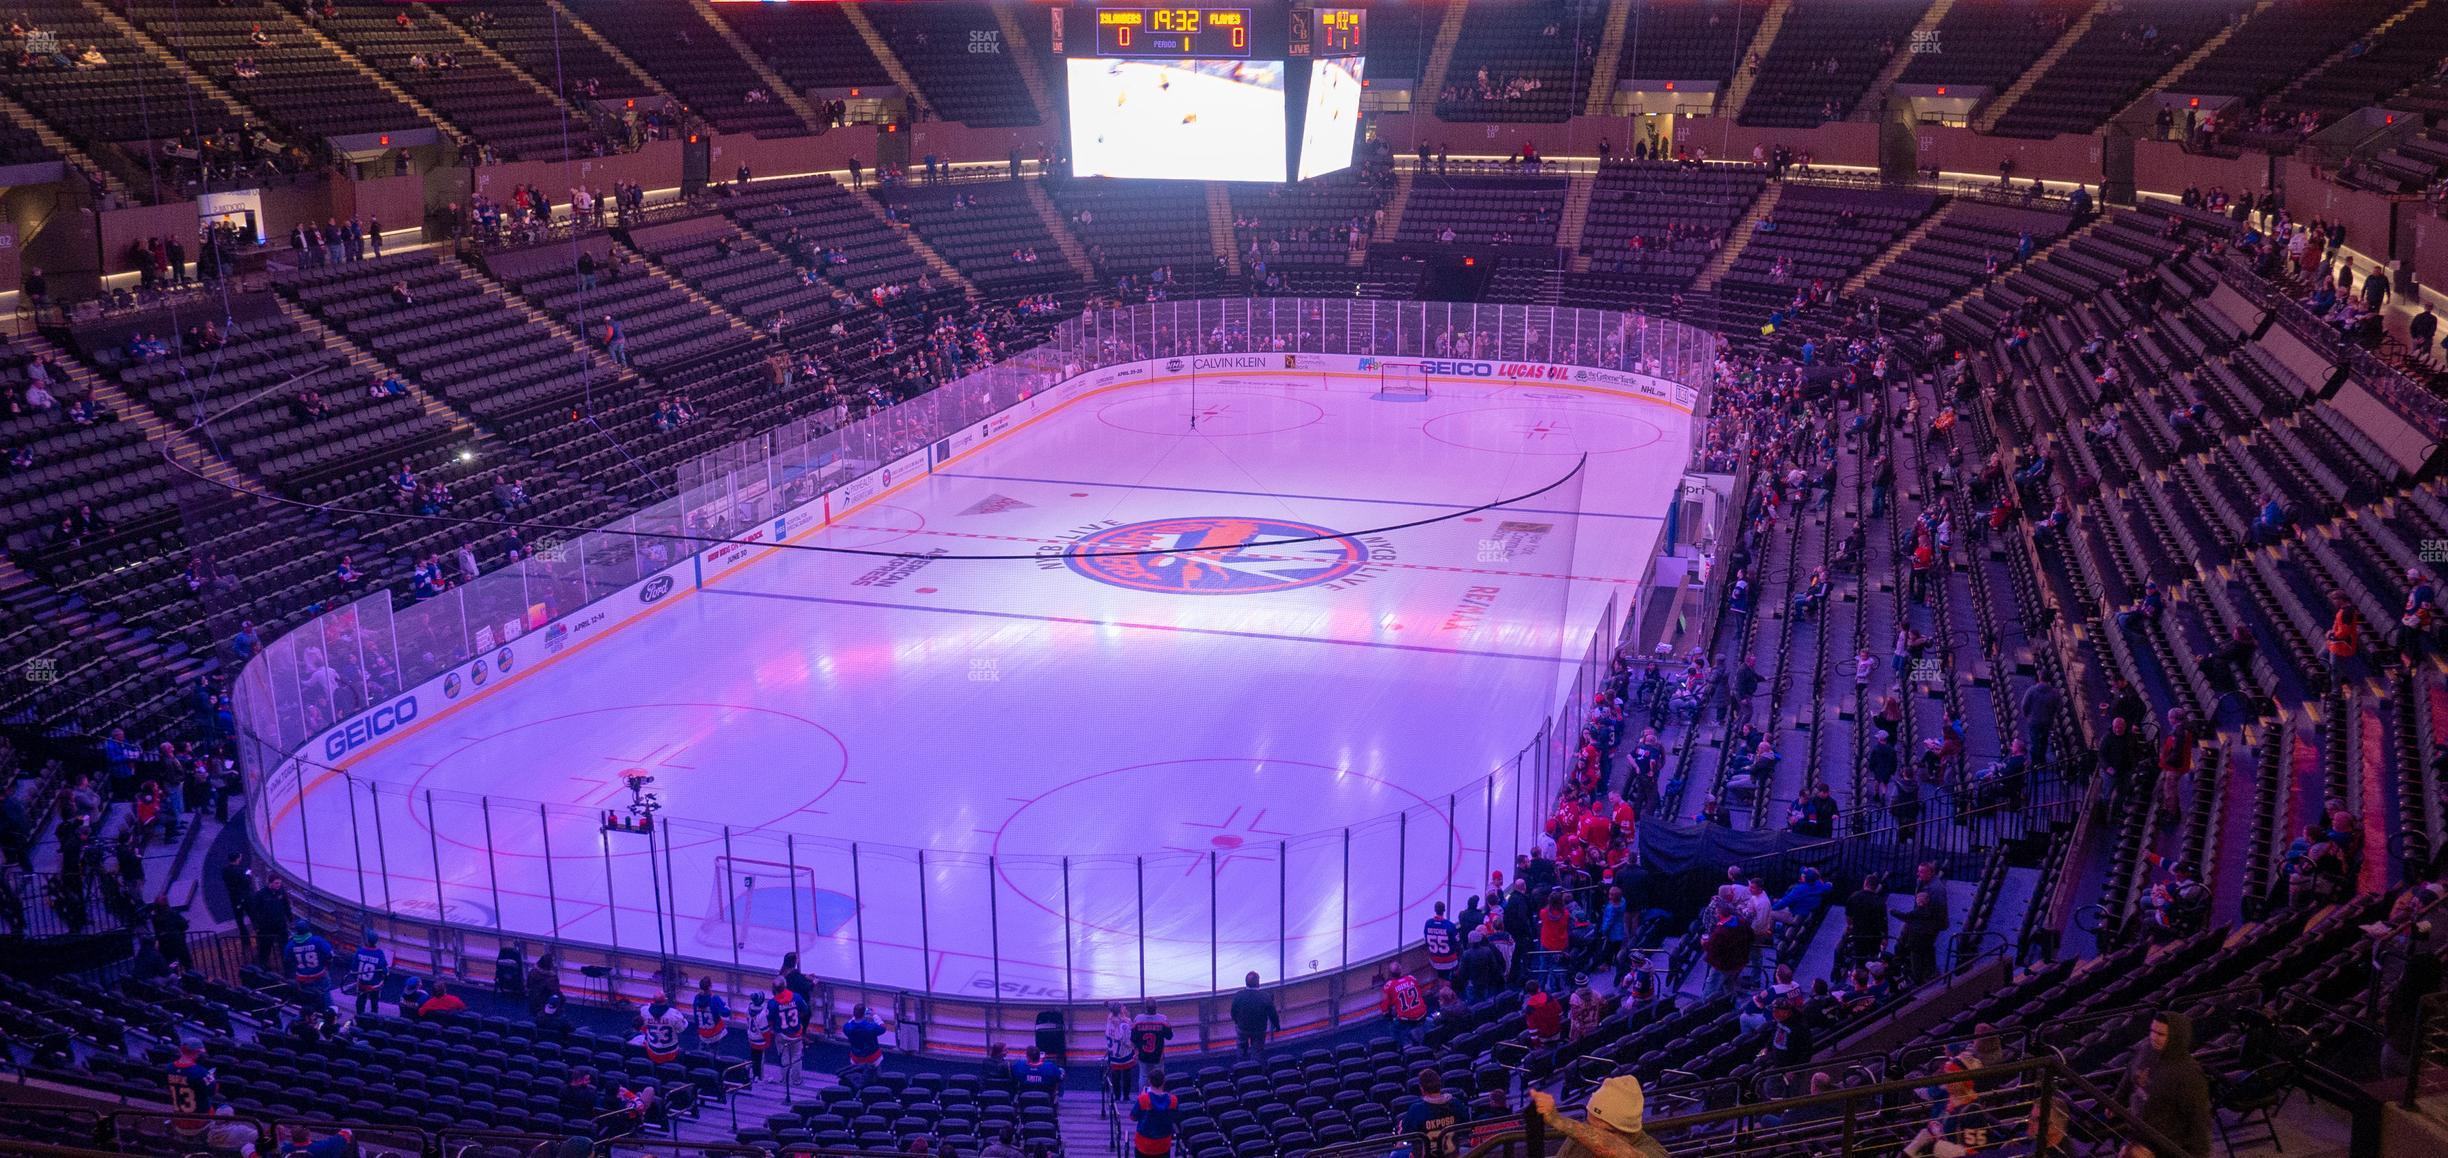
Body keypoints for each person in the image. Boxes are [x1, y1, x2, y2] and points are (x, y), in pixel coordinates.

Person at [1528, 1077, 1668, 1158]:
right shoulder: (1580, 1138)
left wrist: (1559, 1121)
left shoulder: (1652, 1152)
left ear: (1628, 1132)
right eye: (1589, 1124)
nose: (1589, 1133)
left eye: (1604, 1131)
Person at [2135, 1013, 2213, 1158]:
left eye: (2160, 1034)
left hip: (2169, 1144)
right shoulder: (2145, 1049)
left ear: (2175, 1037)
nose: (2153, 1037)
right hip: (2142, 1132)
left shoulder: (2188, 1073)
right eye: (2152, 1031)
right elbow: (2131, 1072)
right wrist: (2117, 1099)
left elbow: (2199, 1118)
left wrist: (2199, 1154)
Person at [1401, 1067, 1466, 1148]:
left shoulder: (1416, 1110)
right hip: (1455, 1153)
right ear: (1440, 1084)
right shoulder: (1456, 1103)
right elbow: (1467, 1129)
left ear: (1422, 1089)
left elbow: (1405, 1137)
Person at [284, 919, 335, 1009]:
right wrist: (327, 964)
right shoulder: (318, 941)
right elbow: (329, 954)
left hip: (302, 976)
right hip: (319, 974)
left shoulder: (290, 945)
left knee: (307, 994)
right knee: (325, 991)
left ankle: (311, 1011)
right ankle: (330, 1012)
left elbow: (288, 960)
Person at [1228, 971, 1279, 1059]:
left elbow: (1233, 1012)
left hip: (1243, 1027)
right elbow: (1272, 1014)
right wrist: (1276, 1026)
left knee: (1241, 1049)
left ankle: (1241, 1068)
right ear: (1258, 983)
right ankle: (1256, 1068)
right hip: (1259, 1029)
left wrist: (1237, 1022)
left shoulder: (1239, 995)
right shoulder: (1265, 996)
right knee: (1257, 1051)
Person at [1130, 1069, 1179, 1157]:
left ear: (1149, 1081)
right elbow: (1175, 1118)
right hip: (1163, 1145)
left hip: (1144, 1145)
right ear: (1164, 1081)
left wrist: (1142, 1096)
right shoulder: (1173, 1100)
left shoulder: (1143, 1099)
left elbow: (1133, 1117)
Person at [165, 1039, 218, 1114]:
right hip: (199, 1119)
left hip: (177, 1116)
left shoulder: (169, 1068)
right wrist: (211, 1077)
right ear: (197, 1052)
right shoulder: (201, 1072)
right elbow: (213, 1092)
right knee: (226, 1108)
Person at [1129, 1001, 1172, 1088]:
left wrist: (1136, 1050)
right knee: (1159, 1076)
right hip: (1158, 1054)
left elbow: (1133, 1038)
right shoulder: (1162, 1019)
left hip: (1143, 1054)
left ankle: (1142, 1097)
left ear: (1145, 1008)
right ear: (1156, 1007)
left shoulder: (1138, 1019)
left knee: (1143, 1076)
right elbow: (1169, 1036)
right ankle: (1158, 1094)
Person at [1381, 969, 1429, 1042]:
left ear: (1390, 974)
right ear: (1401, 971)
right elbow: (1420, 992)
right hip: (1423, 1014)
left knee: (1392, 1027)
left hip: (1407, 1019)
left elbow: (1384, 1007)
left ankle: (1400, 1047)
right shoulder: (1411, 978)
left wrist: (1388, 1016)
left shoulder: (1389, 986)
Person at [1103, 1000, 1137, 1102]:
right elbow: (1128, 1041)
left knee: (1115, 1076)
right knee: (1126, 1076)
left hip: (1113, 1055)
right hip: (1124, 1055)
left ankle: (1117, 1096)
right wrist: (1135, 1047)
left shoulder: (1109, 1020)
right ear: (1120, 1011)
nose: (1125, 1008)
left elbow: (1113, 1011)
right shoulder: (1125, 1024)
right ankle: (1126, 1097)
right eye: (1123, 1007)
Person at [350, 931, 387, 1016]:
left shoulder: (359, 951)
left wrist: (357, 979)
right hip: (374, 985)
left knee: (360, 1002)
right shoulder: (379, 953)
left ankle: (359, 1017)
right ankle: (373, 1018)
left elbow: (353, 968)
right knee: (374, 1003)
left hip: (361, 983)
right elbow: (384, 970)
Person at [843, 1002, 888, 1068]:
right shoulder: (871, 1027)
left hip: (856, 1058)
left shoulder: (847, 1027)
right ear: (864, 1014)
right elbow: (883, 1028)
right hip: (873, 1059)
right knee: (875, 1076)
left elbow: (851, 1022)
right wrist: (874, 1015)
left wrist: (856, 1016)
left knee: (857, 1075)